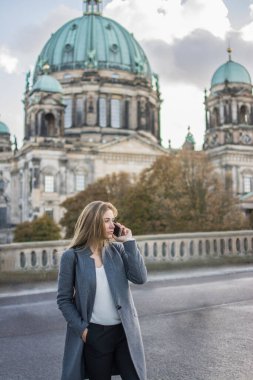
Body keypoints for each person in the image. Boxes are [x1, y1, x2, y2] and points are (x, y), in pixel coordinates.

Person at [57, 200, 147, 380]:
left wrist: (129, 242)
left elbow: (140, 278)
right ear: (92, 221)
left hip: (125, 332)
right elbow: (64, 300)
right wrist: (84, 331)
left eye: (113, 220)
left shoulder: (118, 250)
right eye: (106, 220)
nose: (112, 225)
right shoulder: (72, 257)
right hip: (95, 334)